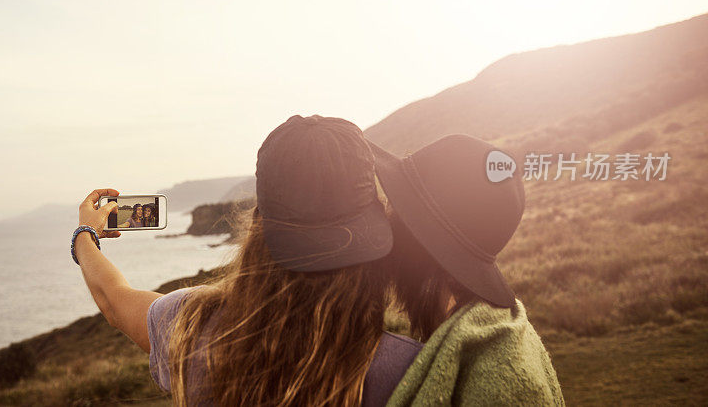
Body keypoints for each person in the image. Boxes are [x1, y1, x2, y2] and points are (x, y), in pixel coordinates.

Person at [71, 115, 423, 406]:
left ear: (257, 227)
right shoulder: (413, 372)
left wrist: (86, 234)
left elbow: (112, 299)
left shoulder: (191, 326)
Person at [368, 134, 565, 406]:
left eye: (396, 209)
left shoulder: (497, 386)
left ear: (417, 244)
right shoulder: (500, 333)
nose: (386, 224)